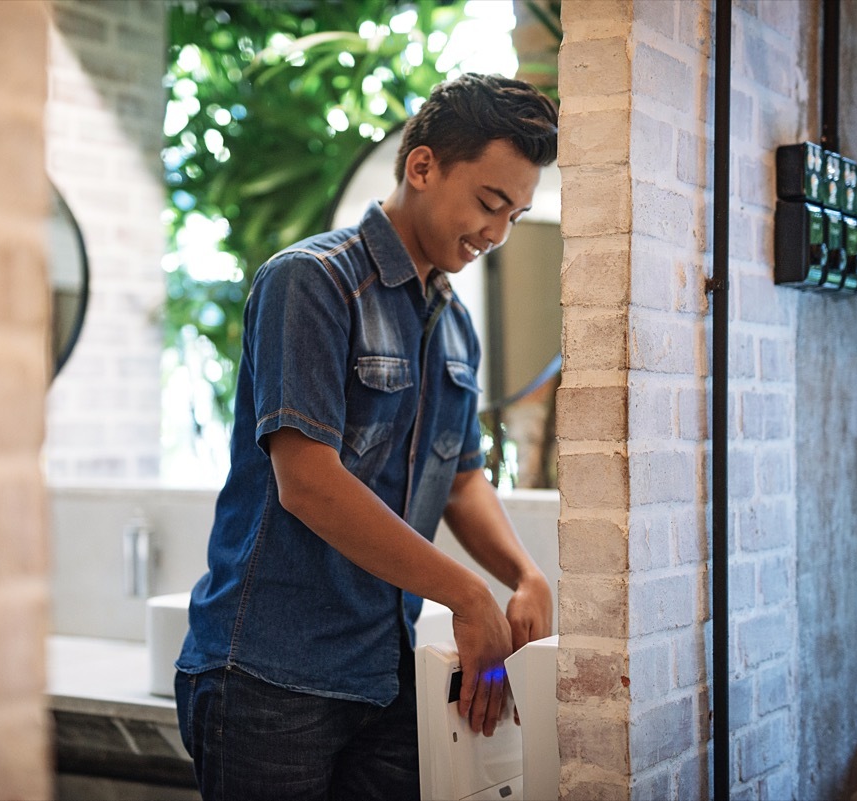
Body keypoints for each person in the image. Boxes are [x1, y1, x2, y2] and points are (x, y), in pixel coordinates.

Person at [174, 72, 558, 801]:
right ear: (422, 166)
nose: (498, 234)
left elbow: (463, 474)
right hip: (267, 679)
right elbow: (308, 482)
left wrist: (523, 573)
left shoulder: (453, 326)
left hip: (384, 678)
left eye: (516, 214)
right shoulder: (310, 283)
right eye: (489, 203)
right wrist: (469, 597)